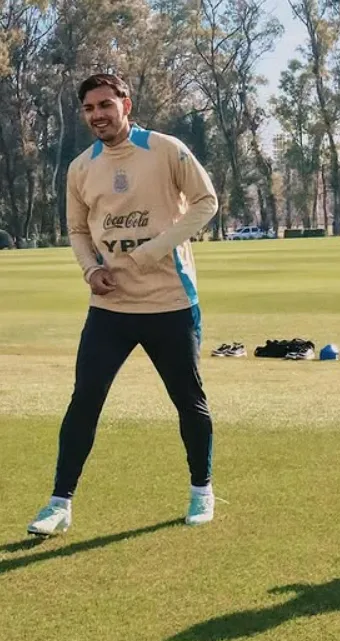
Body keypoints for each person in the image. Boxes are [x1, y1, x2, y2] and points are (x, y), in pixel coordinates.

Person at [27, 73, 219, 536]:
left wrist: (151, 251)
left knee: (188, 402)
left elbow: (205, 202)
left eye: (105, 105)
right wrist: (91, 270)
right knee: (84, 402)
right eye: (89, 108)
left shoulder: (166, 149)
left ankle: (202, 490)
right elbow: (77, 230)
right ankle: (59, 503)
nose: (98, 115)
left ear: (125, 105)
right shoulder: (80, 168)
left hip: (170, 302)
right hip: (110, 309)